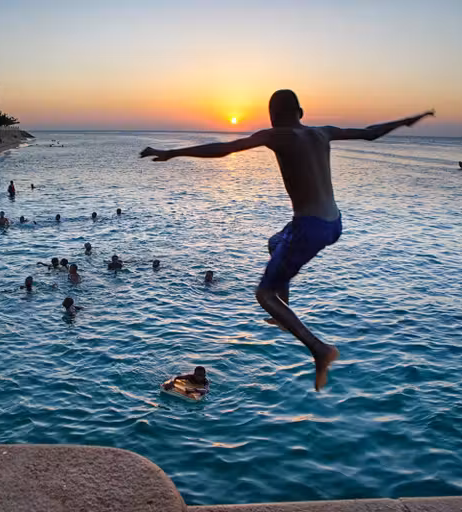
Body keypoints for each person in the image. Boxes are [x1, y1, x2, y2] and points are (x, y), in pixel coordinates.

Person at [141, 89, 434, 391]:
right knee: (274, 243)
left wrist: (173, 152)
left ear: (272, 117)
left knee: (264, 296)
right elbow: (371, 133)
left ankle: (319, 349)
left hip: (310, 227)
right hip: (334, 223)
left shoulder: (278, 135)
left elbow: (226, 148)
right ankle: (285, 312)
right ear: (301, 112)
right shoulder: (323, 132)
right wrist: (407, 121)